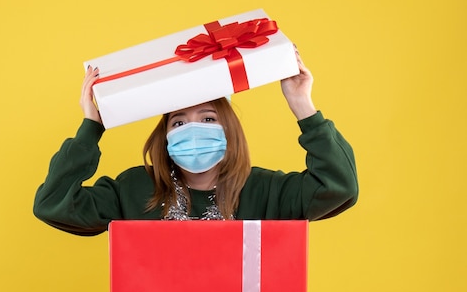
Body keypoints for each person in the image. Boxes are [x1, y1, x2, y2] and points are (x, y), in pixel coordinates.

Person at [33, 50, 358, 236]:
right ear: (166, 136)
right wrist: (92, 126)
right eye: (178, 121)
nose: (193, 129)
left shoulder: (266, 190)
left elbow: (339, 187)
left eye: (207, 119)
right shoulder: (133, 189)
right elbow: (54, 204)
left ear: (229, 130)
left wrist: (303, 105)